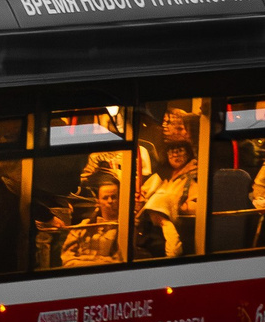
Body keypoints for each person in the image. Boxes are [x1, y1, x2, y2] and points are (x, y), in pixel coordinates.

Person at [138, 111, 201, 260]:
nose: (176, 156)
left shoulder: (196, 172)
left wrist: (178, 206)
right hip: (153, 225)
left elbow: (198, 205)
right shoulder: (162, 175)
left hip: (181, 224)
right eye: (172, 153)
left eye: (182, 129)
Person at [56, 174, 123, 267]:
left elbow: (119, 262)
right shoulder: (83, 227)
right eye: (105, 198)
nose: (110, 201)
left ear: (121, 198)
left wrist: (83, 260)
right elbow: (67, 259)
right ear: (98, 201)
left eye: (114, 197)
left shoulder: (124, 228)